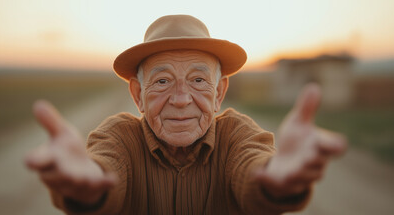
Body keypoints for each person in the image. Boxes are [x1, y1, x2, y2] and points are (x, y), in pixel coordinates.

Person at [25, 15, 347, 215]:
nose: (181, 100)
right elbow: (105, 166)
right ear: (137, 94)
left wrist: (276, 182)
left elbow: (252, 164)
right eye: (163, 81)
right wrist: (90, 187)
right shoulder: (120, 136)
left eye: (197, 80)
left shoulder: (236, 134)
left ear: (219, 92)